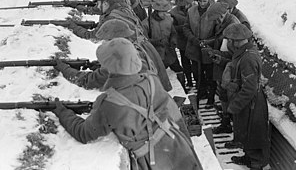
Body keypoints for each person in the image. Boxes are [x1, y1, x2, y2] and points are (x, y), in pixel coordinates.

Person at [52, 37, 202, 170]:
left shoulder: (109, 103)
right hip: (176, 144)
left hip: (151, 159)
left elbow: (83, 133)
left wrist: (61, 111)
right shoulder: (151, 79)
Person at [55, 19, 173, 92]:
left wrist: (63, 68)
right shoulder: (134, 48)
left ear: (115, 39)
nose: (105, 44)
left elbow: (87, 81)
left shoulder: (121, 60)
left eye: (107, 41)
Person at [223, 23, 270, 170]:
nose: (228, 43)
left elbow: (249, 88)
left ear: (237, 41)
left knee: (252, 132)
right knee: (245, 131)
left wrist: (234, 106)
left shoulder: (248, 58)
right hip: (247, 100)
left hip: (251, 103)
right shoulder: (245, 52)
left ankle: (255, 163)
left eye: (230, 40)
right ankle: (248, 157)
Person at [204, 2, 240, 124]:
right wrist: (209, 43)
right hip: (222, 63)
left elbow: (233, 53)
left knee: (226, 93)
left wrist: (218, 56)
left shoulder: (232, 25)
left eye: (217, 19)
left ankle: (227, 121)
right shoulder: (224, 23)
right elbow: (220, 40)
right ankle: (226, 114)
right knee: (223, 92)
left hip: (228, 66)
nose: (216, 22)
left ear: (221, 15)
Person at [142, 0, 186, 92]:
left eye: (165, 12)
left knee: (179, 70)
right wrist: (156, 42)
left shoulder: (169, 20)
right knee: (158, 74)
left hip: (169, 52)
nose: (164, 14)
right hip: (157, 54)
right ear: (156, 12)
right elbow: (144, 41)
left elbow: (173, 33)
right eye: (162, 12)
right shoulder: (146, 23)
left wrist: (173, 40)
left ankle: (184, 88)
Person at [183, 0, 216, 105]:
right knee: (197, 72)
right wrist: (194, 40)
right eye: (201, 1)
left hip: (208, 49)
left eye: (205, 1)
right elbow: (186, 27)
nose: (203, 4)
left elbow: (218, 32)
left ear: (209, 1)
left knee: (209, 73)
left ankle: (210, 96)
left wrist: (207, 42)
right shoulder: (191, 11)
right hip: (194, 47)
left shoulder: (214, 12)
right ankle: (201, 91)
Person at [170, 0, 194, 93]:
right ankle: (189, 80)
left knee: (196, 63)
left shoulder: (195, 10)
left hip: (193, 41)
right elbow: (172, 27)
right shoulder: (173, 13)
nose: (185, 6)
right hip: (183, 41)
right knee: (185, 63)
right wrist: (185, 28)